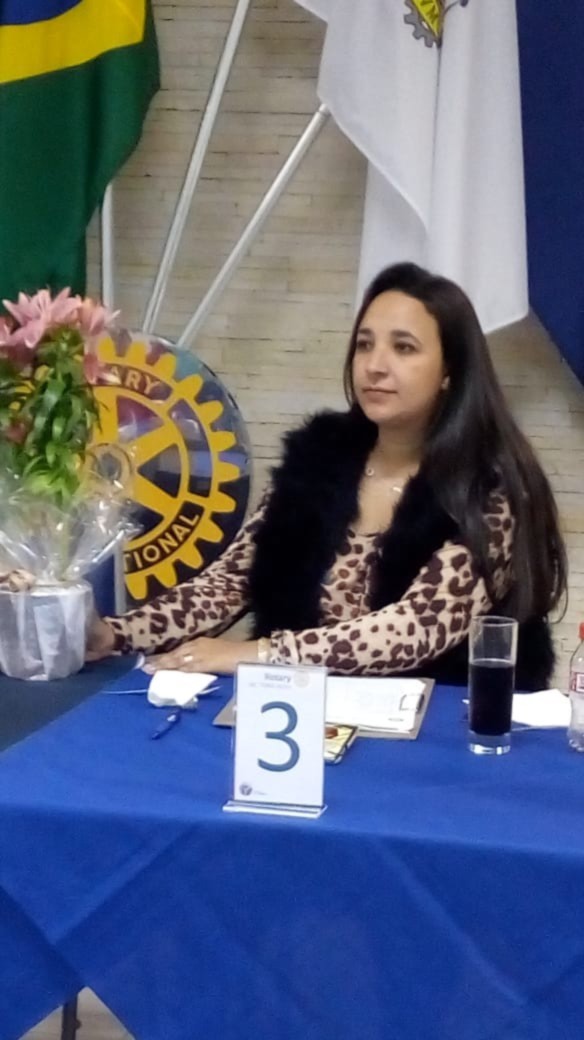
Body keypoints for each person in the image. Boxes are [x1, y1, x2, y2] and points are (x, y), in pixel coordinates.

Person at [87, 263, 567, 689]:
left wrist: (260, 654)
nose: (375, 366)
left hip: (443, 730)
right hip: (299, 716)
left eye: (403, 348)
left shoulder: (489, 485)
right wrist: (116, 634)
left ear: (450, 372)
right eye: (364, 345)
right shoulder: (318, 459)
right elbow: (228, 584)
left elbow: (417, 628)